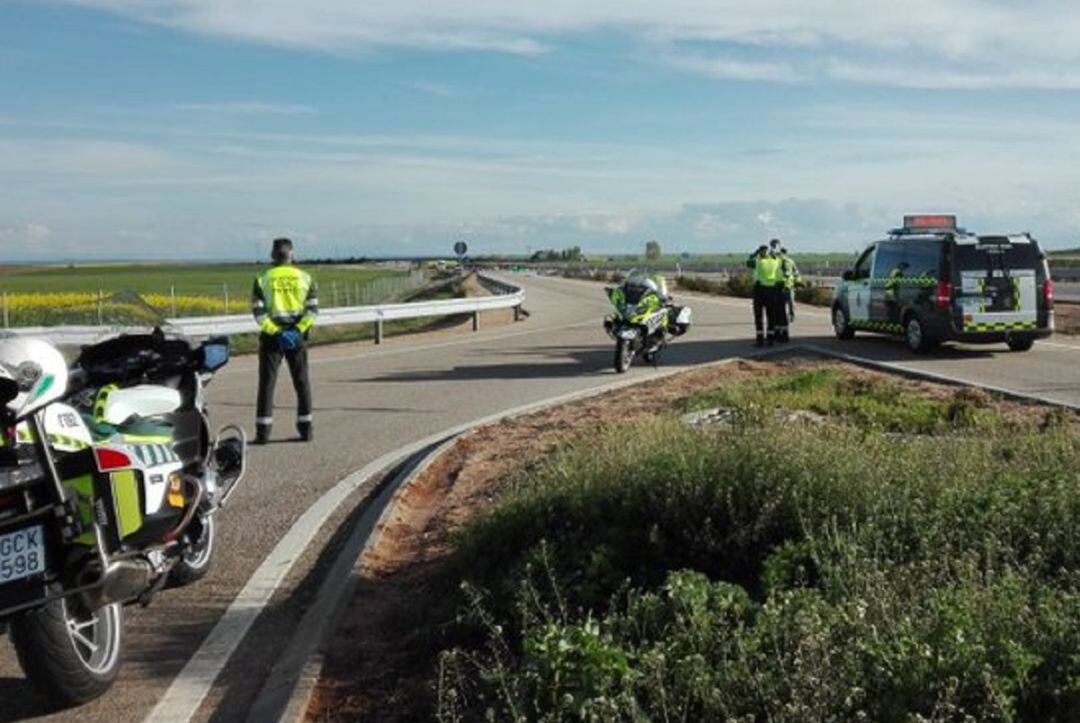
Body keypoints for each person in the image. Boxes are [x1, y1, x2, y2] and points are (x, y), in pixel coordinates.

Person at [252, 238, 319, 444]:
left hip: (272, 339)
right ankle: (306, 430)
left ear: (273, 255)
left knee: (267, 385)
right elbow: (312, 310)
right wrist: (297, 330)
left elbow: (259, 313)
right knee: (302, 382)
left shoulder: (262, 279)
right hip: (297, 338)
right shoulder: (305, 278)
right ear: (292, 254)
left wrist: (276, 332)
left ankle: (263, 433)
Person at [746, 244, 786, 346]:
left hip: (759, 290)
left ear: (760, 252)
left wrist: (754, 253)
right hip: (772, 290)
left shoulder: (758, 261)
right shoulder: (775, 261)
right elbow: (782, 269)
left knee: (758, 316)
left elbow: (748, 262)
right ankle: (770, 339)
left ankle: (760, 339)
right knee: (771, 316)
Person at [779, 246, 800, 324]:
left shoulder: (790, 261)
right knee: (781, 303)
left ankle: (791, 315)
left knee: (791, 302)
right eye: (782, 252)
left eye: (784, 252)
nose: (783, 254)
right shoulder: (777, 262)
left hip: (789, 285)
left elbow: (795, 272)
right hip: (780, 285)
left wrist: (797, 281)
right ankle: (782, 316)